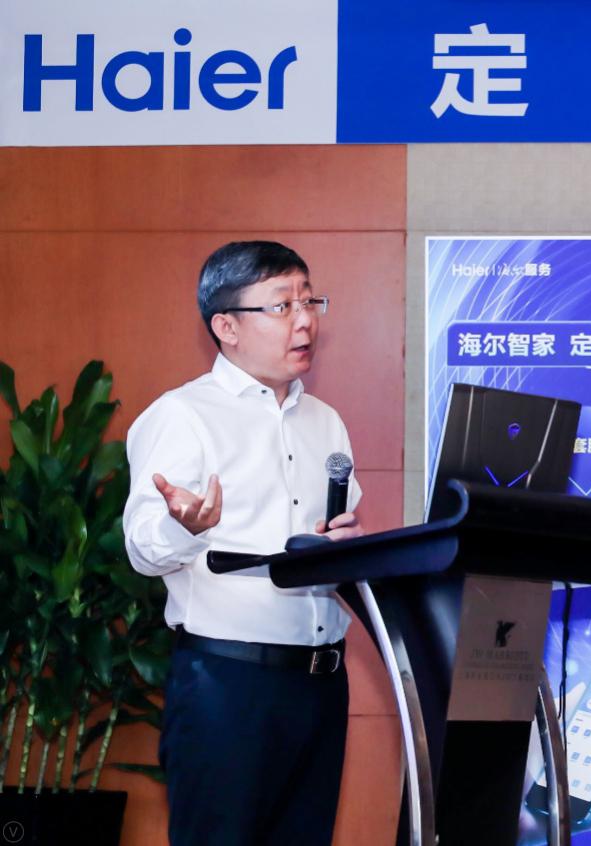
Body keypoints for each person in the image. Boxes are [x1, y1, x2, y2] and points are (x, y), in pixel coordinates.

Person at [123, 241, 363, 846]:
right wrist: (184, 527)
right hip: (228, 687)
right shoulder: (182, 415)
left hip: (321, 685)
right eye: (282, 305)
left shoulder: (325, 421)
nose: (305, 320)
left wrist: (348, 545)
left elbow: (337, 530)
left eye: (309, 301)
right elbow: (142, 550)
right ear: (226, 326)